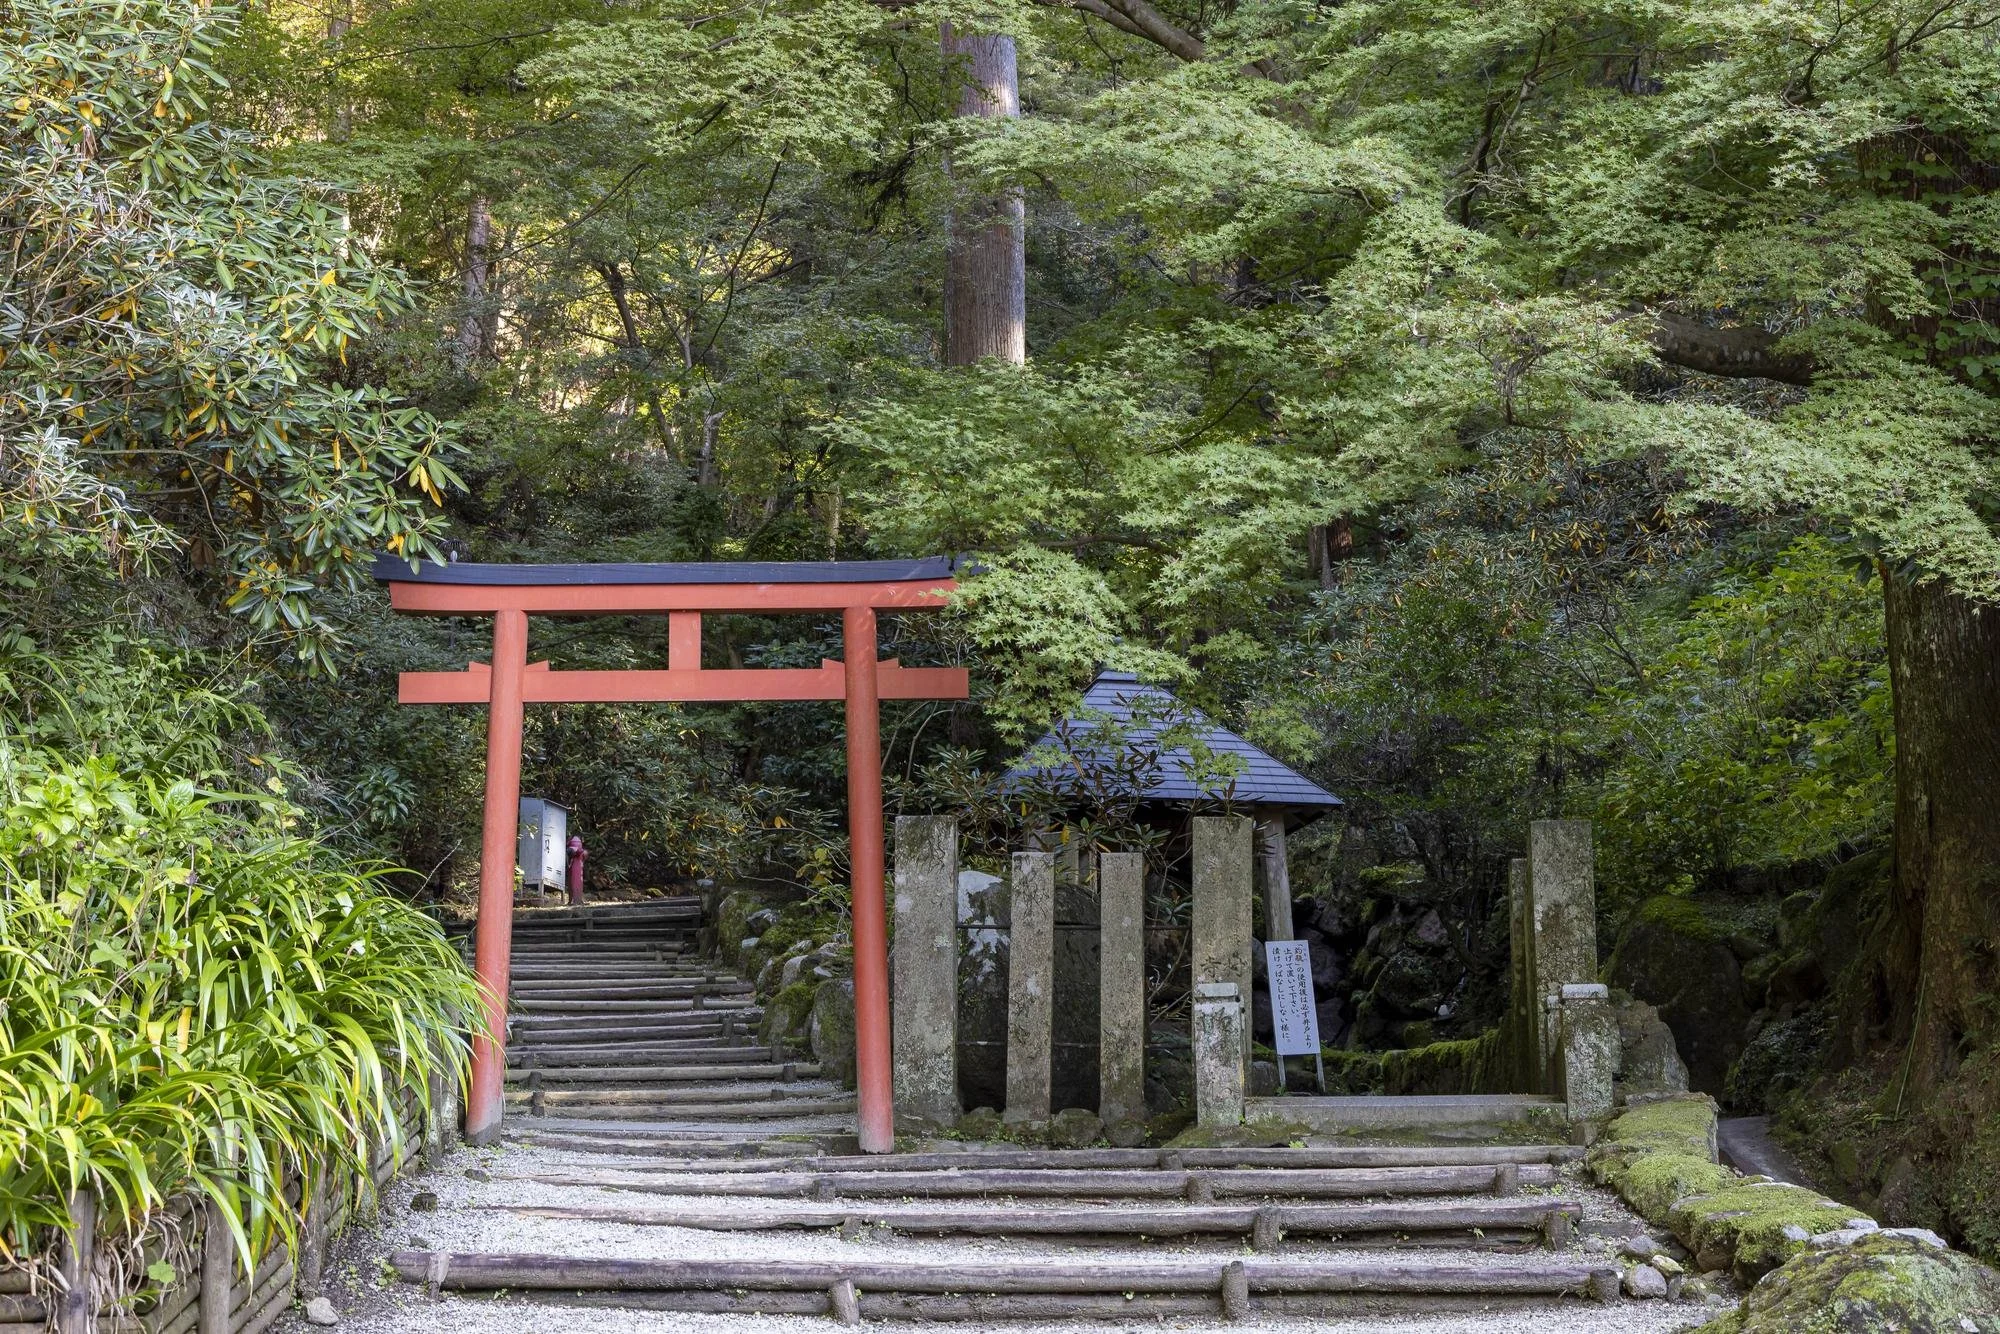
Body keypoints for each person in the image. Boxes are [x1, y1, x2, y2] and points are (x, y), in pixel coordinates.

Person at [565, 834, 587, 906]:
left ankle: (574, 899)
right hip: (577, 867)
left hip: (574, 867)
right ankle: (575, 899)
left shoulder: (574, 850)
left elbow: (571, 851)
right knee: (574, 882)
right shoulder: (580, 851)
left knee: (573, 882)